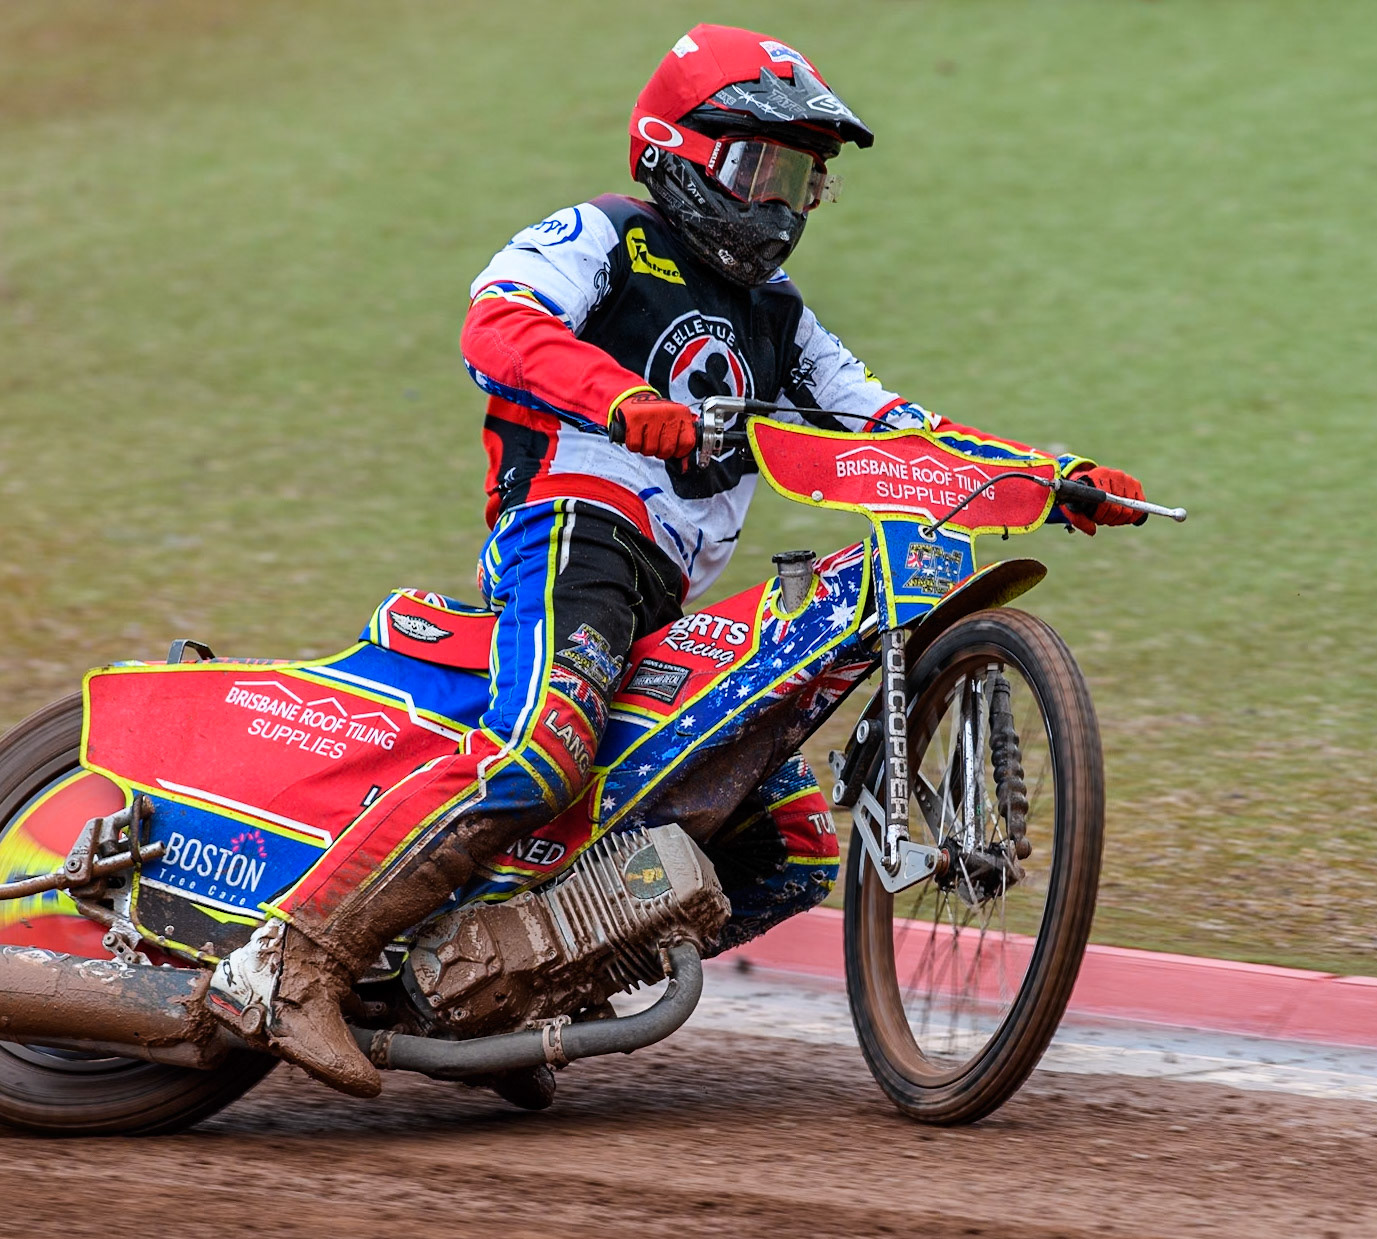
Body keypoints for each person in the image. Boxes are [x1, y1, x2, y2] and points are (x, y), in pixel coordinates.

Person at [213, 23, 1149, 1098]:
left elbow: (893, 424)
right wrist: (625, 403)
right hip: (572, 532)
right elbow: (497, 327)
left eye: (804, 179)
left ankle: (513, 990)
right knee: (546, 749)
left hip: (665, 594)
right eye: (761, 168)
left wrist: (1050, 473)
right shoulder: (601, 236)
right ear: (675, 149)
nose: (782, 203)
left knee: (793, 840)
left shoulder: (782, 321)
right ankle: (292, 962)